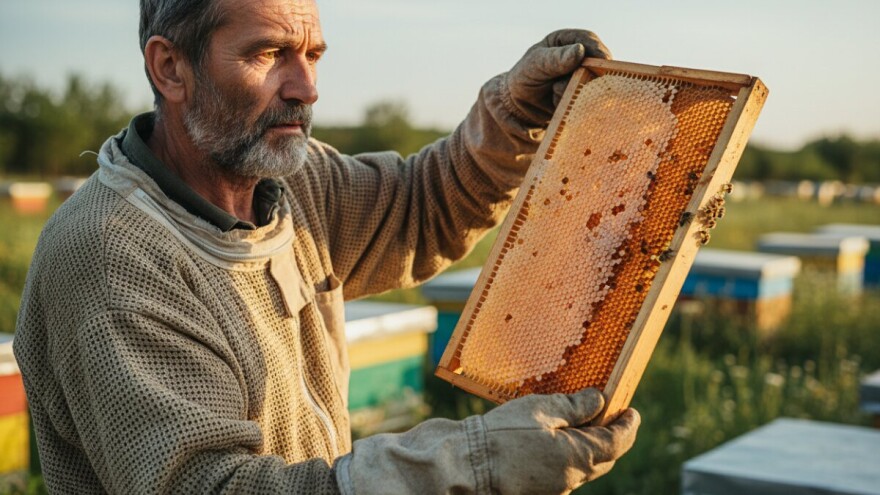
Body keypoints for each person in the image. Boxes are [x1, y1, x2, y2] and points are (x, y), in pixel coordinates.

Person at [14, 0, 640, 493]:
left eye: (313, 54)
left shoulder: (292, 180)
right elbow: (212, 487)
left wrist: (509, 115)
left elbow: (420, 205)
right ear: (170, 68)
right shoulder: (110, 257)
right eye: (269, 53)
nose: (306, 87)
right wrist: (470, 464)